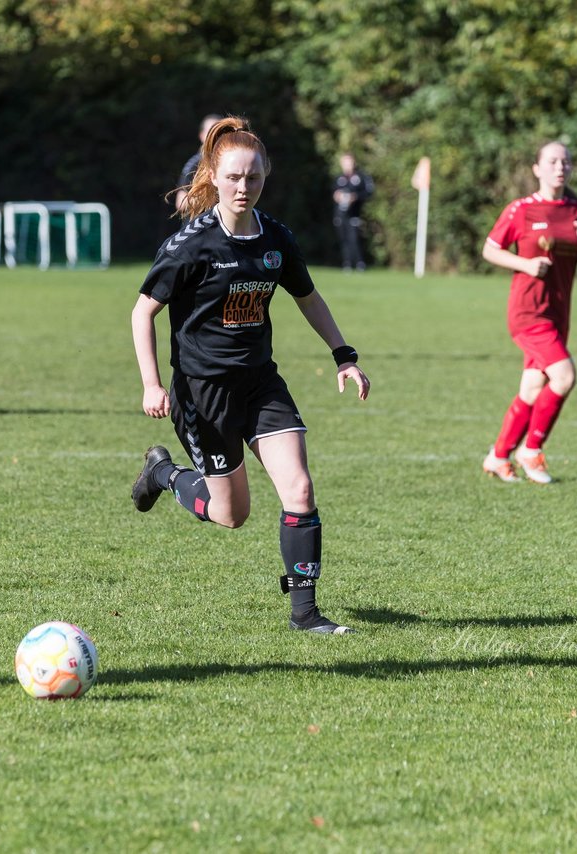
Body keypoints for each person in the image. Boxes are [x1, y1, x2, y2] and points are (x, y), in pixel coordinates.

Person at [131, 116, 370, 635]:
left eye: (254, 178)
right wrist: (152, 384)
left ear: (265, 179)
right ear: (213, 175)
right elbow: (142, 312)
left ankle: (305, 615)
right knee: (230, 514)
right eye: (235, 177)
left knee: (300, 491)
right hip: (203, 393)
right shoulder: (190, 245)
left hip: (261, 384)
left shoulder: (276, 239)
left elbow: (308, 298)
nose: (244, 188)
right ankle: (164, 474)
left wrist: (343, 355)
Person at [480, 140, 577, 484]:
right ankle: (531, 450)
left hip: (559, 311)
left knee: (532, 389)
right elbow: (491, 250)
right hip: (528, 311)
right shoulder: (522, 209)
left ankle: (498, 457)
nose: (561, 167)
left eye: (566, 162)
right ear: (537, 168)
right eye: (553, 161)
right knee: (564, 376)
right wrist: (526, 265)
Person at [332, 152, 373, 271]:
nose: (347, 165)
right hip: (340, 214)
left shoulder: (360, 177)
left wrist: (354, 197)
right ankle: (347, 264)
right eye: (345, 162)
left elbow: (368, 193)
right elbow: (334, 192)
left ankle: (360, 263)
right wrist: (337, 196)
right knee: (343, 239)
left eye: (349, 162)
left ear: (353, 162)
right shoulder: (339, 178)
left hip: (354, 213)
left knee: (354, 238)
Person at [173, 114, 222, 213]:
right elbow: (180, 203)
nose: (215, 136)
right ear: (201, 136)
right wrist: (209, 196)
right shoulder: (195, 164)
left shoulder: (229, 162)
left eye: (219, 132)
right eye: (210, 132)